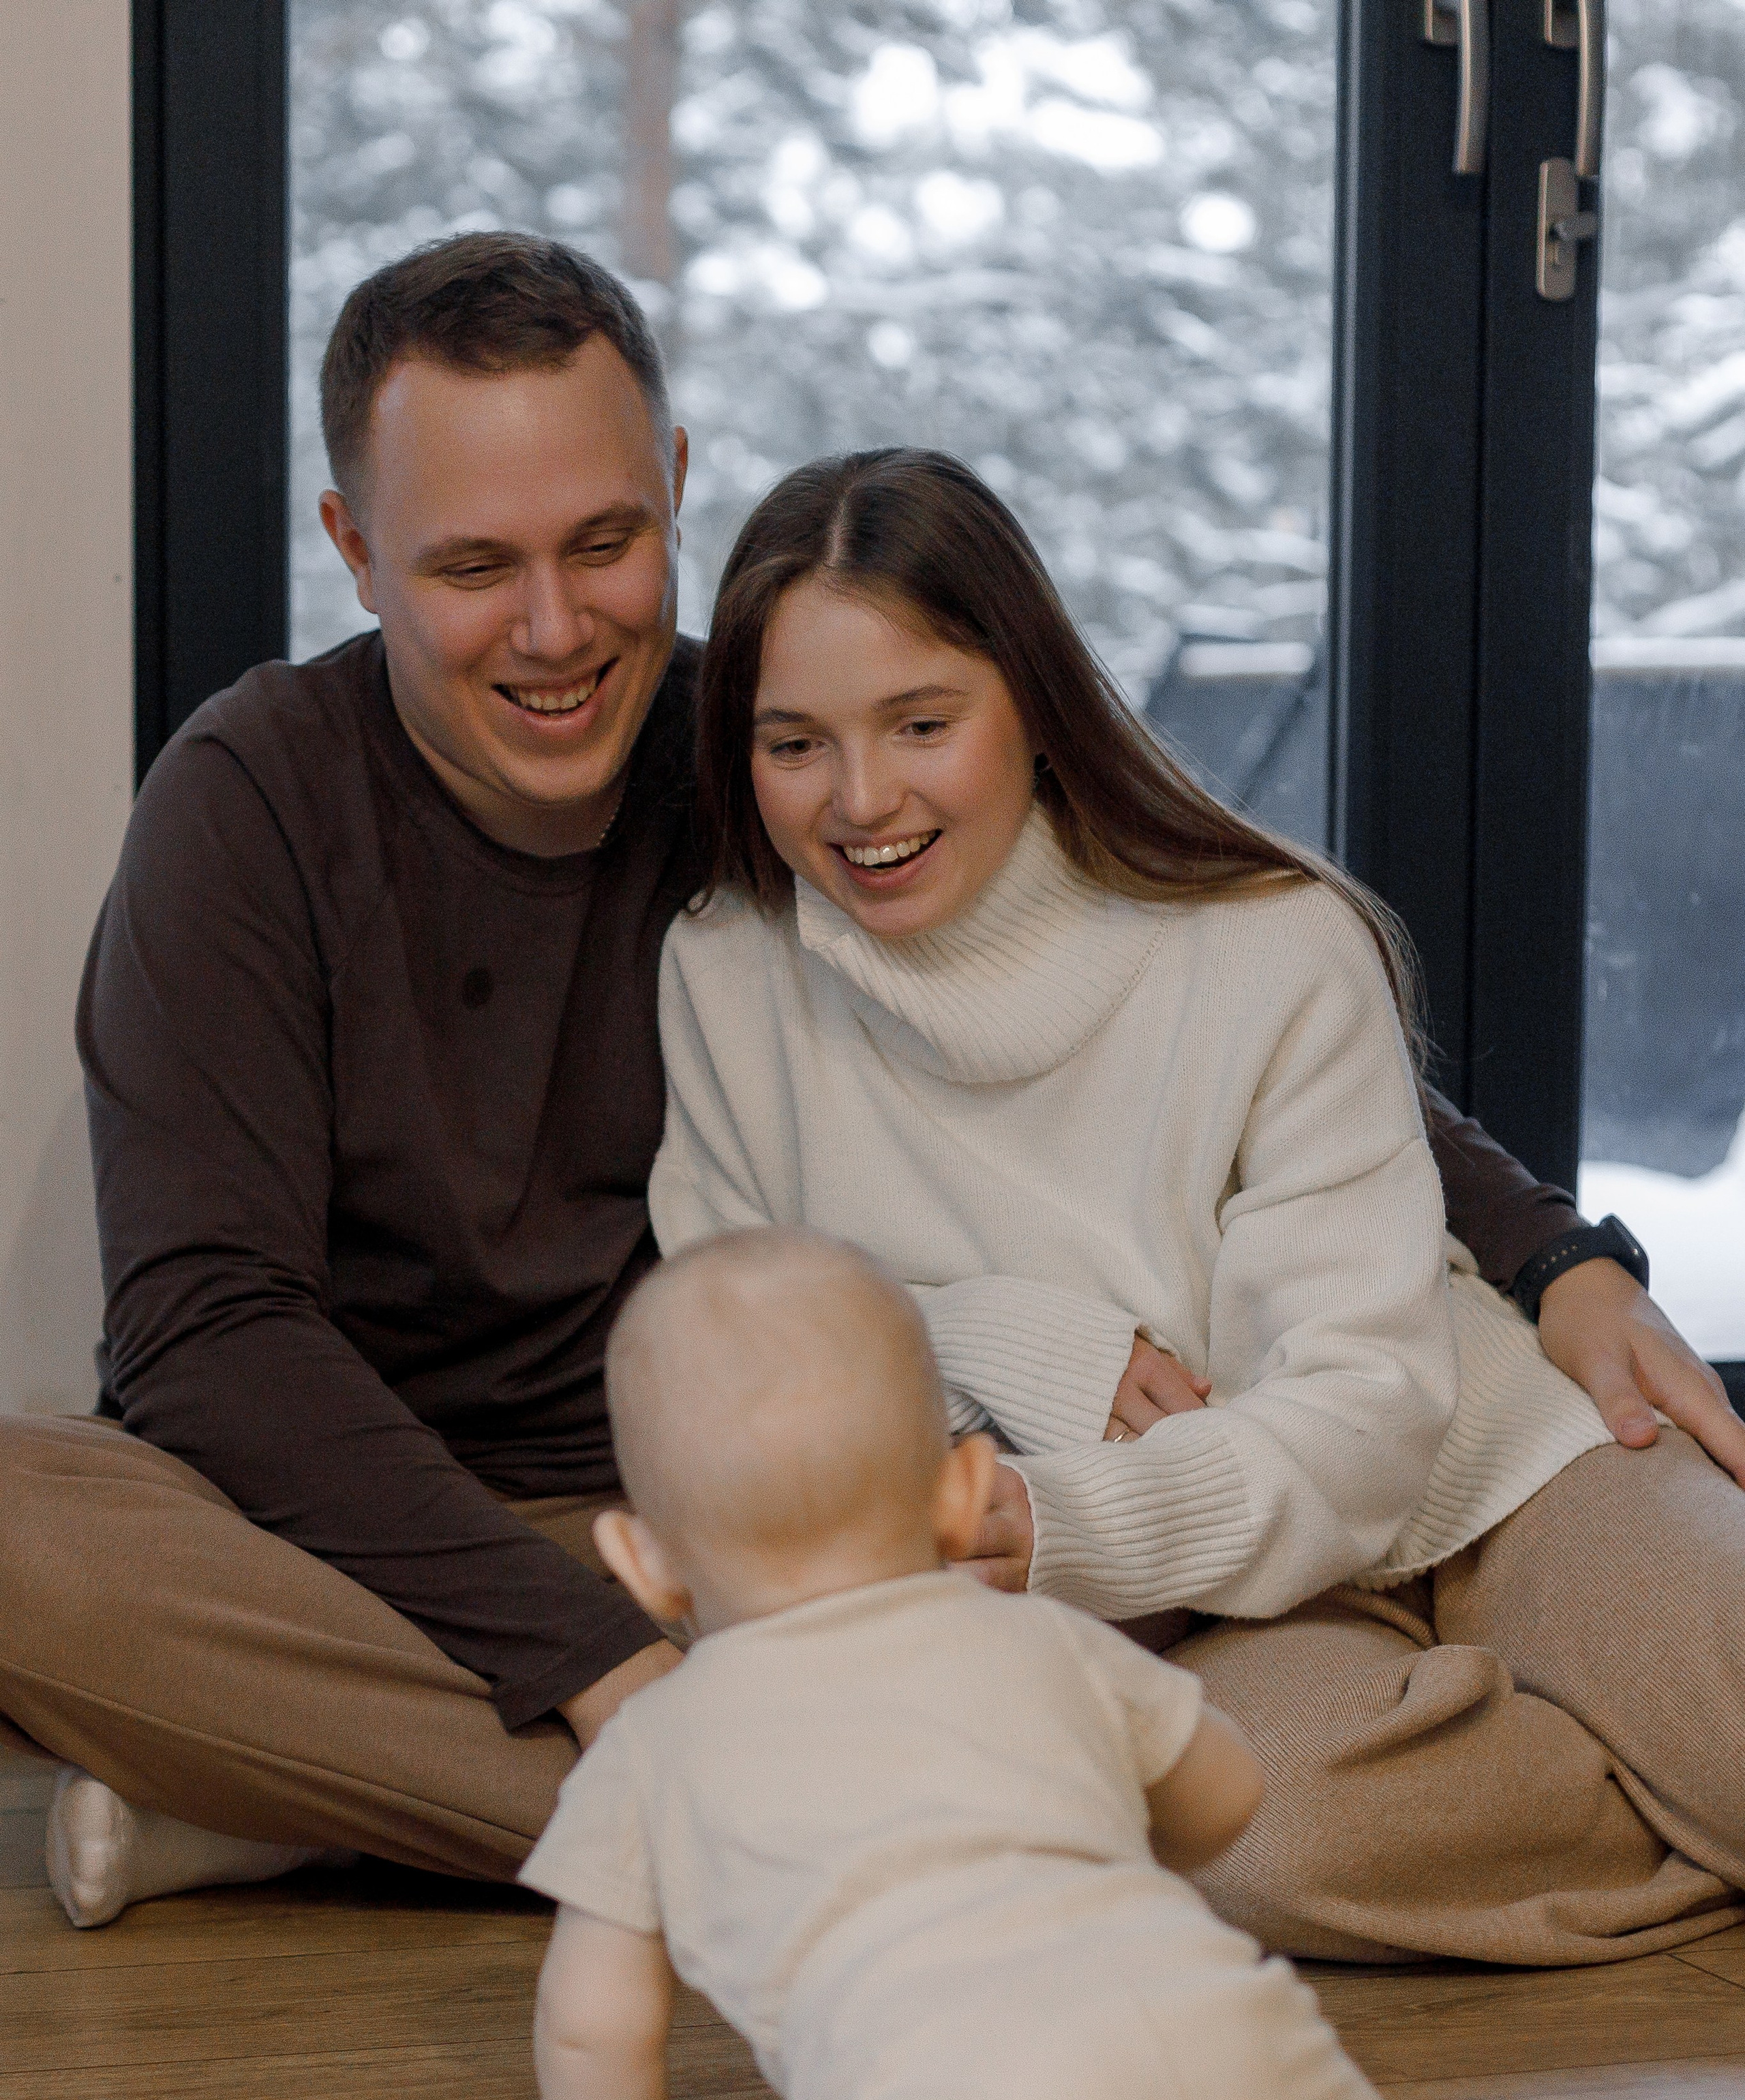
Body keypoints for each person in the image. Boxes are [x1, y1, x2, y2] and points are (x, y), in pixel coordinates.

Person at [0, 234, 1734, 1930]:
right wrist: (585, 1658)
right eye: (470, 566)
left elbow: (1230, 988)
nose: (552, 628)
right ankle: (599, 1782)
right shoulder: (270, 801)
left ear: (674, 488)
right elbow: (205, 1330)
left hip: (805, 1515)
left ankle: (322, 1801)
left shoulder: (770, 738)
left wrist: (1547, 1249)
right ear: (354, 550)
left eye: (603, 542)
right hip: (422, 1516)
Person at [650, 446, 1745, 1967]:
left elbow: (1367, 1420)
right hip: (1200, 1595)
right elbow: (742, 1357)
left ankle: (1652, 1755)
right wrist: (984, 1336)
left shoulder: (1267, 939)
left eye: (922, 724)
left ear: (1036, 703)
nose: (861, 799)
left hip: (1476, 1473)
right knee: (1262, 1838)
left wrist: (1051, 1511)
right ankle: (1673, 1798)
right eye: (793, 744)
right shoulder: (722, 974)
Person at [501, 1226, 1492, 2100]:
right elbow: (1225, 1795)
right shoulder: (1045, 1638)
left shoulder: (652, 1748)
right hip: (1226, 2029)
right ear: (966, 1490)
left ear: (636, 1560)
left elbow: (594, 2026)